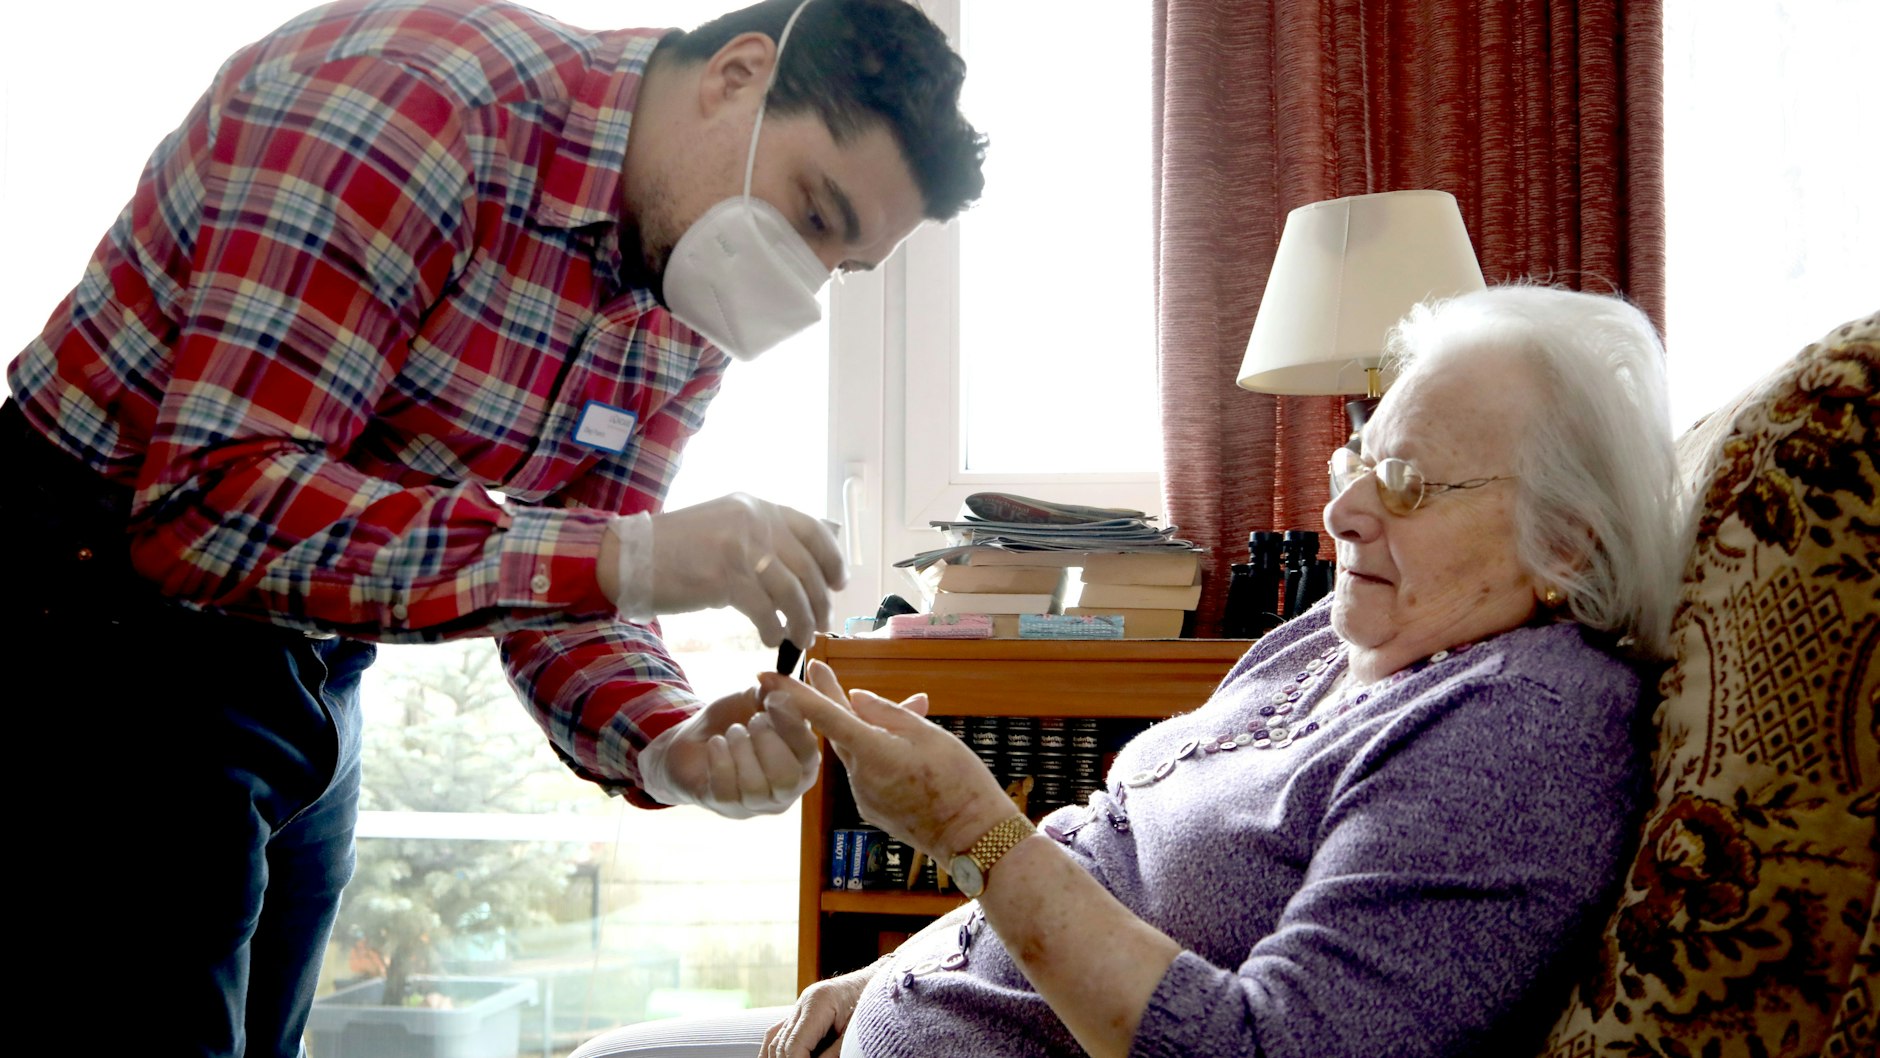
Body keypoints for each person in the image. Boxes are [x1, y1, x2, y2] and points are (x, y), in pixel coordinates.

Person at [0, 0, 983, 1054]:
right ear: (737, 75)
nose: (799, 278)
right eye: (812, 212)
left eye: (840, 264)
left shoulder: (684, 281)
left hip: (317, 654)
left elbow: (574, 577)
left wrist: (669, 743)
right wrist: (631, 556)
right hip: (93, 610)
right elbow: (212, 505)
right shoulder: (418, 103)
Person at [756, 286, 1684, 1058]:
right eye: (1355, 459)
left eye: (1407, 483)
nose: (1343, 513)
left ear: (1564, 546)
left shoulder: (1515, 739)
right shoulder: (1338, 632)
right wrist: (890, 972)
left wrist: (968, 826)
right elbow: (1103, 843)